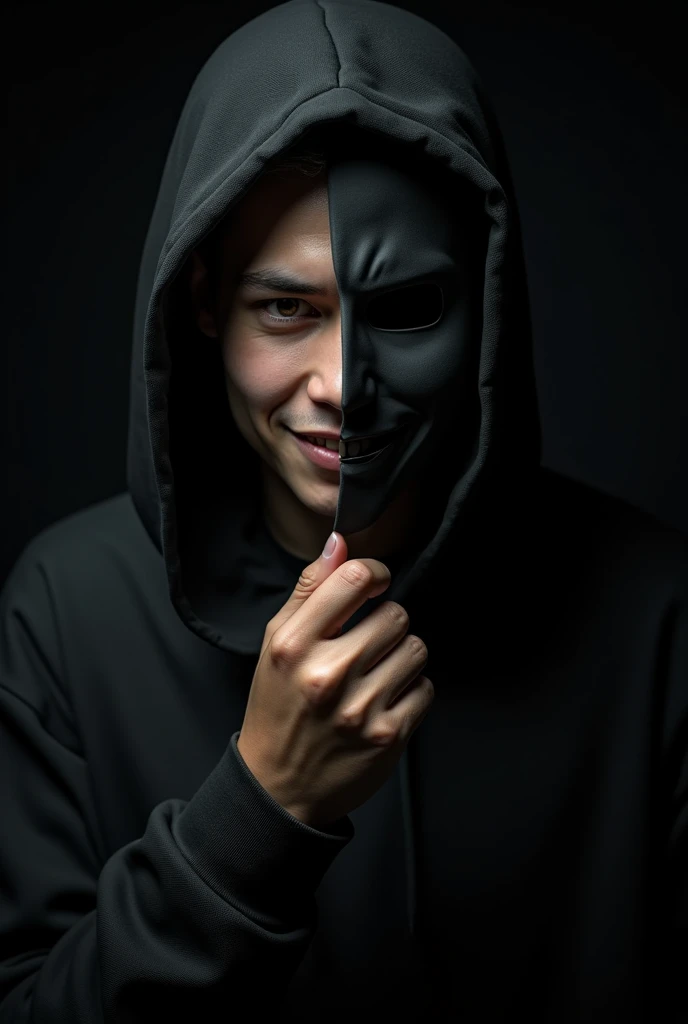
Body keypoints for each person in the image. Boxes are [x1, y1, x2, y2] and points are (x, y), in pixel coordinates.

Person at [1, 1, 685, 1021]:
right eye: (286, 308)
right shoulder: (65, 611)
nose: (344, 383)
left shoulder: (653, 612)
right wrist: (261, 807)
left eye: (407, 308)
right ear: (201, 302)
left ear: (486, 303)